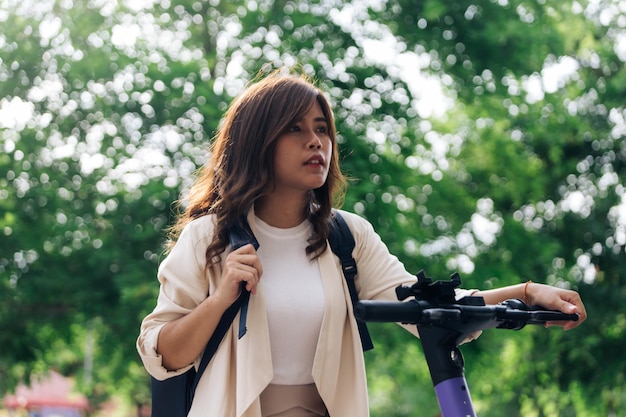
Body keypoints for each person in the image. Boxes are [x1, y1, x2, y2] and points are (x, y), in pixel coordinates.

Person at [137, 68, 587, 417]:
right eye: (295, 129)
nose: (316, 142)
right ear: (257, 142)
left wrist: (527, 296)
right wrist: (220, 300)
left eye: (321, 129)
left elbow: (428, 311)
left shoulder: (346, 237)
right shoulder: (210, 238)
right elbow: (162, 355)